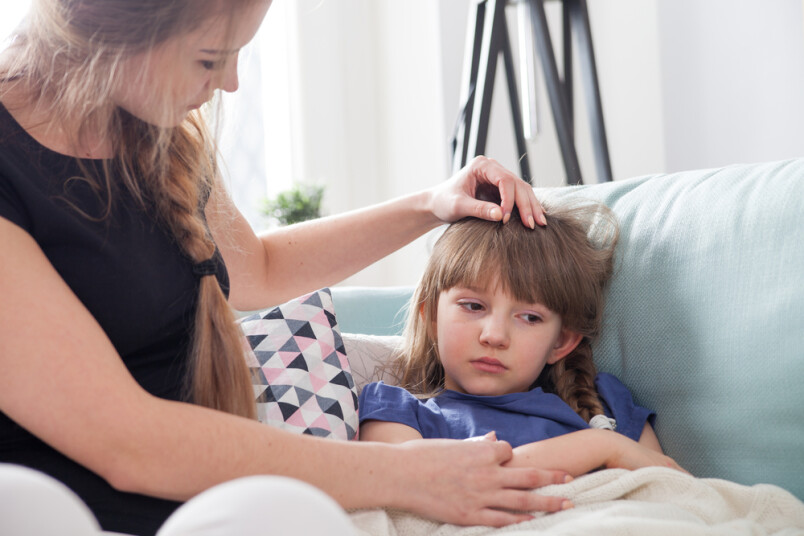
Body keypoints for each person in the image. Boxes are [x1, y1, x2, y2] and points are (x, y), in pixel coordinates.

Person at [0, 1, 572, 535]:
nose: (230, 83)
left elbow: (262, 270)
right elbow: (126, 441)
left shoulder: (154, 131)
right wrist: (411, 473)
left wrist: (430, 205)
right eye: (210, 58)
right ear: (116, 28)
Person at [358, 196, 686, 479]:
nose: (495, 336)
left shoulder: (606, 405)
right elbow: (417, 482)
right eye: (473, 306)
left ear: (561, 342)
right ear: (431, 318)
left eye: (529, 317)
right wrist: (601, 448)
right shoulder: (396, 411)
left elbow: (670, 492)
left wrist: (608, 443)